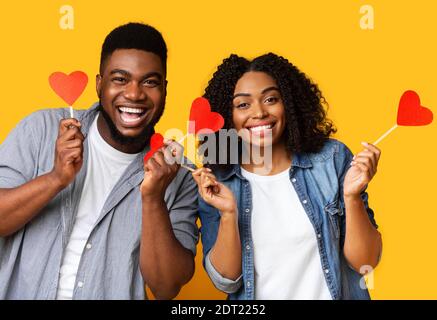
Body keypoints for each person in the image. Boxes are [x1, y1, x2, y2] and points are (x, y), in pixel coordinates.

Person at [0, 22, 198, 300]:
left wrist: (153, 197)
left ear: (165, 90)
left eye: (150, 82)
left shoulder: (180, 174)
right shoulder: (40, 130)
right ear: (99, 84)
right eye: (120, 78)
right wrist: (55, 179)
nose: (134, 94)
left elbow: (166, 287)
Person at [193, 53, 382, 300]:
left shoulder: (331, 159)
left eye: (270, 99)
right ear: (227, 117)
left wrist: (352, 197)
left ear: (289, 103)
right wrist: (229, 214)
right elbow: (226, 281)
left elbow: (365, 262)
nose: (259, 112)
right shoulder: (216, 182)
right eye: (243, 104)